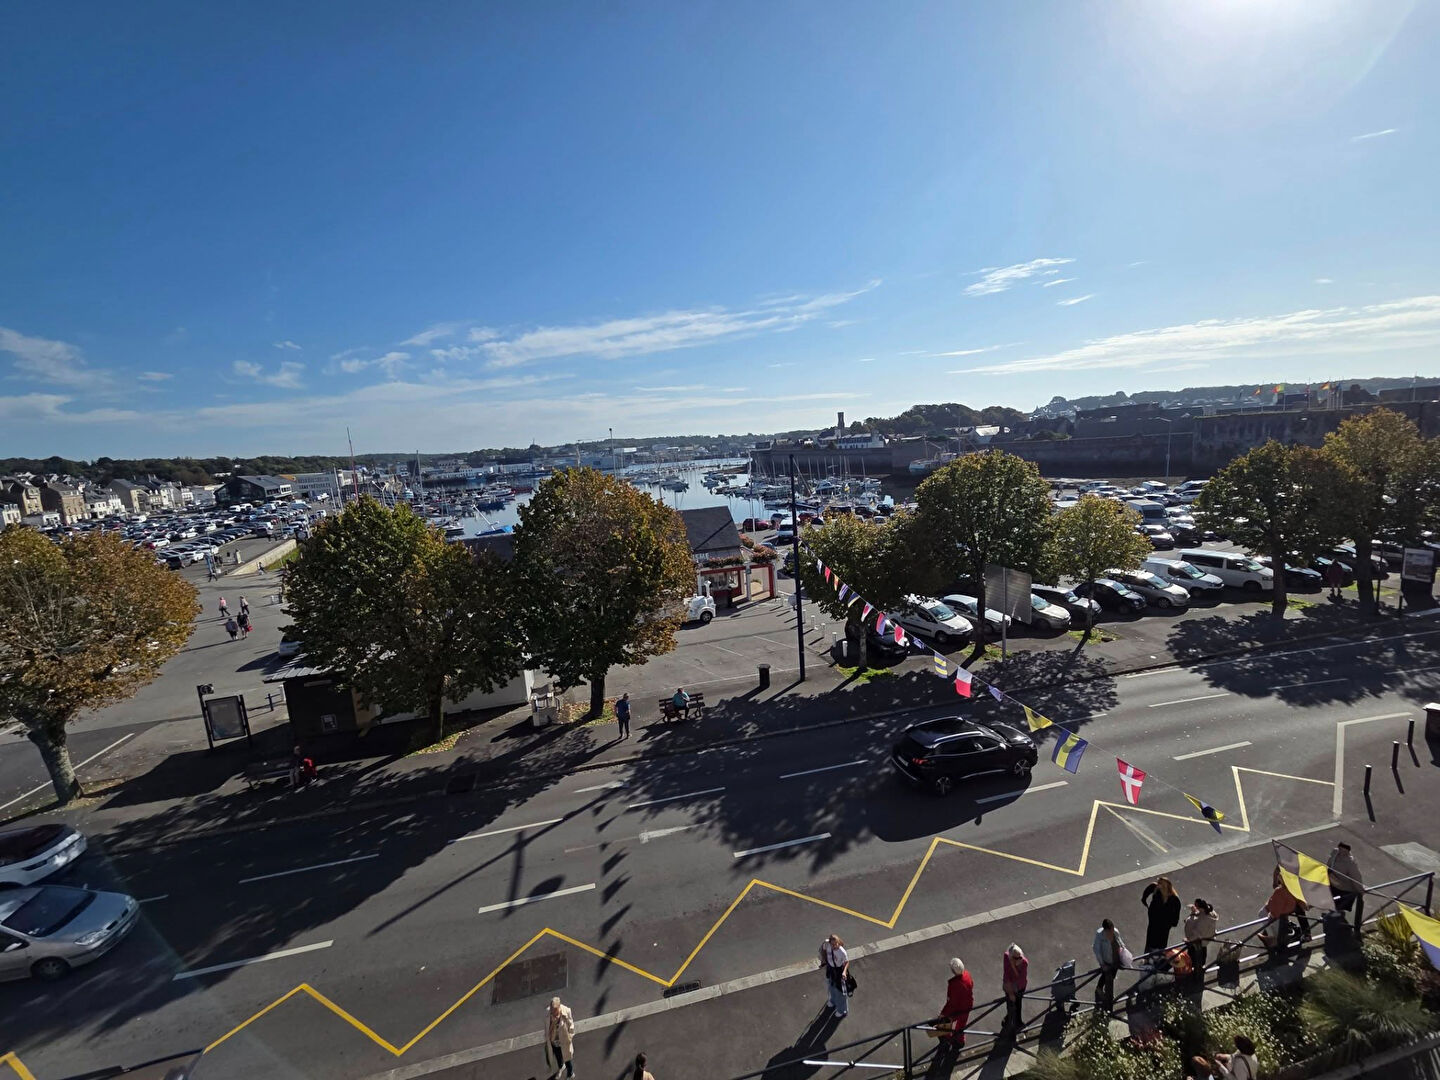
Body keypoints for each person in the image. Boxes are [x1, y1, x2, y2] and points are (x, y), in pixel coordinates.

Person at [1092, 918, 1128, 1013]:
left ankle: (1108, 991)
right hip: (1107, 960)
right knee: (1105, 974)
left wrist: (1123, 949)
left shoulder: (1115, 931)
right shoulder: (1100, 935)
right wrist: (1102, 963)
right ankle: (1100, 989)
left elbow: (1119, 941)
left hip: (1115, 959)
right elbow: (1097, 950)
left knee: (1112, 975)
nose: (1112, 931)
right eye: (1110, 930)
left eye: (1112, 929)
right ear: (1106, 930)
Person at [937, 957, 974, 1050]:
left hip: (957, 1009)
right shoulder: (967, 975)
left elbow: (951, 1002)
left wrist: (943, 1013)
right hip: (967, 1005)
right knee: (961, 1025)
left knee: (944, 1024)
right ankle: (960, 1040)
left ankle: (947, 1039)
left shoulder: (954, 984)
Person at [1141, 876, 1182, 957]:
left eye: (1160, 884)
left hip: (1164, 924)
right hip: (1154, 920)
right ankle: (1148, 957)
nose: (1158, 885)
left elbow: (1177, 911)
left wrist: (1173, 923)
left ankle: (1159, 957)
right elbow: (1147, 891)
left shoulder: (1174, 899)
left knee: (1161, 940)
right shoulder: (1156, 890)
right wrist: (1144, 900)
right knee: (1151, 938)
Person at [1328, 842, 1364, 929]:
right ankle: (1335, 913)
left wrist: (1360, 889)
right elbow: (1329, 864)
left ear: (1348, 851)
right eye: (1340, 849)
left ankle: (1337, 914)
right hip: (1335, 884)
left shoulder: (1350, 863)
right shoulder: (1335, 853)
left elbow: (1356, 878)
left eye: (1344, 851)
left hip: (1342, 887)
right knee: (1334, 900)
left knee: (1339, 902)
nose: (1341, 852)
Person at [1193, 1033, 1259, 1080]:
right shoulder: (1250, 1053)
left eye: (1236, 1044)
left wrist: (1221, 1067)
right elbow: (1234, 1056)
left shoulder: (1240, 1064)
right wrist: (1223, 1056)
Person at [1261, 879, 1298, 954]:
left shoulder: (1280, 891)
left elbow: (1276, 907)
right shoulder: (1292, 890)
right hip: (1286, 911)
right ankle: (1271, 938)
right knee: (1267, 917)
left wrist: (1272, 913)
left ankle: (1272, 939)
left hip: (1278, 913)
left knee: (1263, 914)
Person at [1184, 898, 1219, 973]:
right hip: (1206, 939)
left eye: (1196, 906)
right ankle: (1200, 967)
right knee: (1203, 953)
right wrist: (1195, 912)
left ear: (1201, 908)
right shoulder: (1210, 912)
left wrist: (1188, 940)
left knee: (1192, 956)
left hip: (1198, 941)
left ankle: (1194, 971)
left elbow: (1197, 933)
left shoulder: (1204, 920)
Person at [545, 996, 575, 1079]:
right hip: (553, 1041)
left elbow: (571, 1025)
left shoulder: (566, 1011)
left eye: (554, 1010)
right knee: (558, 1057)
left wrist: (570, 1037)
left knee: (568, 1059)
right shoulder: (548, 1012)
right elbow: (546, 1026)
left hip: (564, 1041)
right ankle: (561, 1067)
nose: (552, 1012)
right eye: (551, 1009)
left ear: (559, 1007)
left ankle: (570, 1073)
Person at [819, 934, 849, 1018]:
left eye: (836, 944)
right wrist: (823, 961)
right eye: (832, 944)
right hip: (830, 969)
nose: (835, 946)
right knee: (831, 986)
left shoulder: (842, 951)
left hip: (839, 971)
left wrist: (844, 972)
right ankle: (833, 1001)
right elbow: (823, 951)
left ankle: (843, 1010)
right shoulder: (826, 944)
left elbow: (847, 962)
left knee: (840, 992)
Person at [1001, 944, 1027, 1035]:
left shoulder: (1024, 963)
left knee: (1018, 1004)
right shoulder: (1006, 957)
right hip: (1009, 986)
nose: (1019, 959)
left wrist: (1013, 966)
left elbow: (1020, 978)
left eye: (1020, 957)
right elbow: (1007, 975)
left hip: (1020, 986)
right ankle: (1009, 1020)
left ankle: (1018, 1022)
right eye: (1016, 958)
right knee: (1010, 1005)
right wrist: (1010, 992)